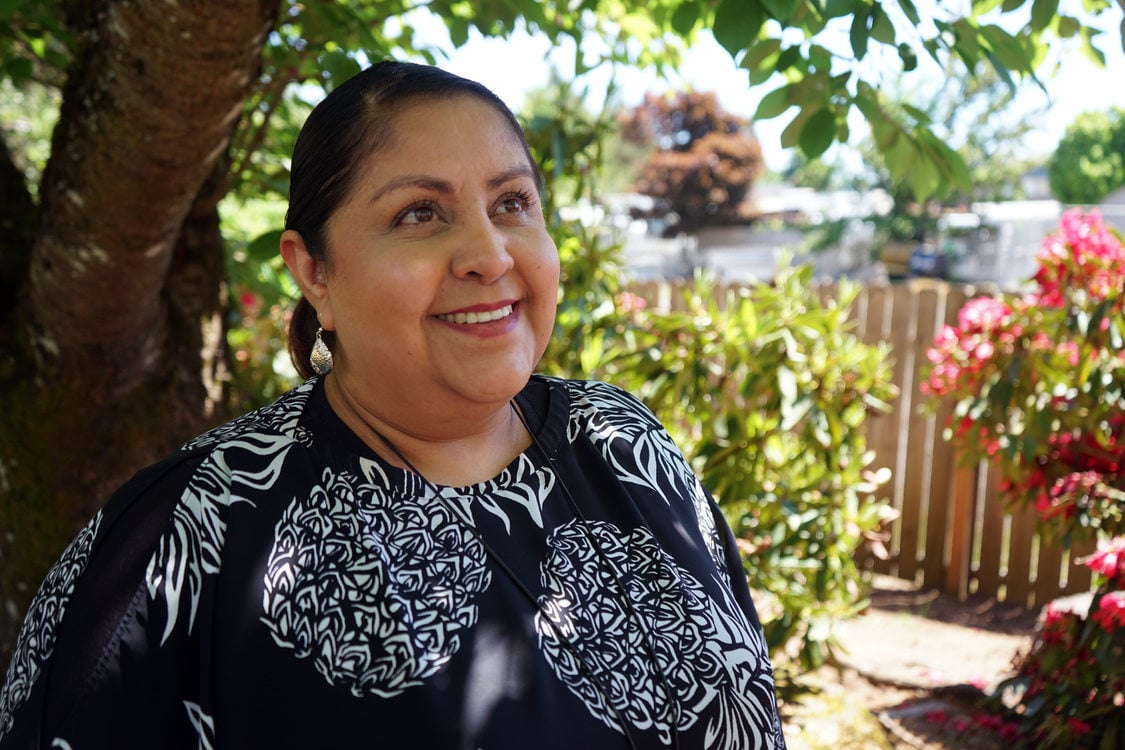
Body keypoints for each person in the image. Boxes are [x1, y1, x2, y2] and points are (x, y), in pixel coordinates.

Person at [0, 60, 787, 749]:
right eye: (420, 214)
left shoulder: (625, 442)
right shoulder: (182, 541)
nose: (488, 255)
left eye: (511, 203)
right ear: (314, 274)